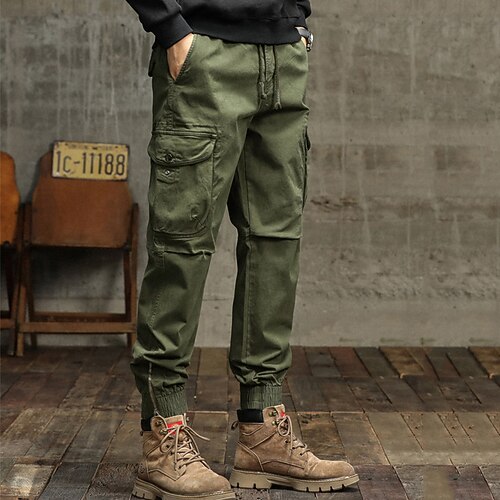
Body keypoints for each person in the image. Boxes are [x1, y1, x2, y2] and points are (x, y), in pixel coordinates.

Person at [124, 1, 359, 498]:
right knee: (181, 248)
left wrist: (293, 21)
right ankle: (162, 435)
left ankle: (263, 432)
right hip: (205, 53)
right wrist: (169, 26)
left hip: (283, 56)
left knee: (276, 246)